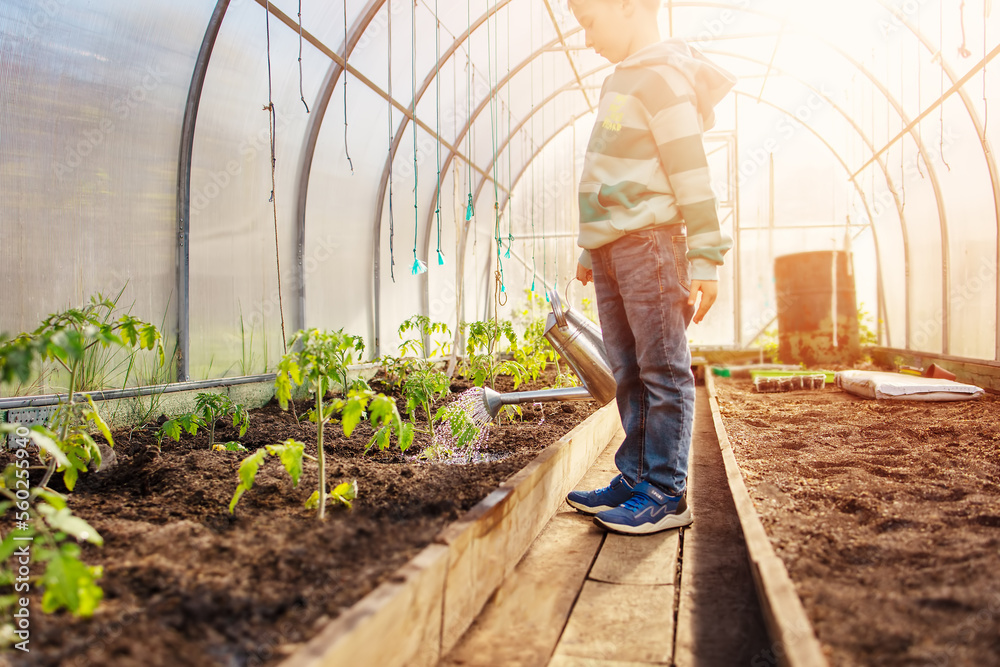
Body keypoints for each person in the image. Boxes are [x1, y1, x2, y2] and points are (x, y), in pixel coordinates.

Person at [564, 0, 735, 535]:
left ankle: (666, 490)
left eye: (590, 21)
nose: (586, 37)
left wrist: (706, 256)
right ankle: (636, 474)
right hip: (614, 248)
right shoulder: (619, 82)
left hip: (652, 247)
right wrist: (591, 245)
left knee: (661, 368)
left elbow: (692, 175)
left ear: (629, 6)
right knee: (628, 368)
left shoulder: (663, 79)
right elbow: (606, 174)